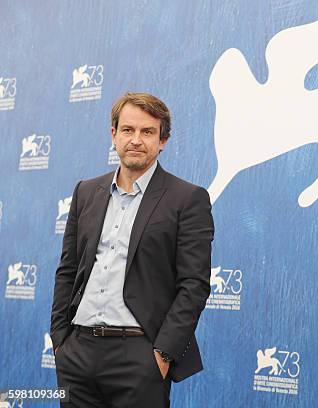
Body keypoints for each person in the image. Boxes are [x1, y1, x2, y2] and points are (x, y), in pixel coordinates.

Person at [50, 92, 214, 407]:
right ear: (114, 135)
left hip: (139, 356)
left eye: (147, 132)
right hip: (77, 354)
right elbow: (68, 270)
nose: (135, 139)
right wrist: (60, 339)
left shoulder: (187, 199)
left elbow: (193, 285)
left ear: (163, 140)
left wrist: (162, 354)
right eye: (128, 130)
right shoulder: (86, 192)